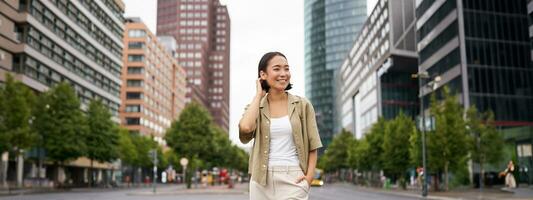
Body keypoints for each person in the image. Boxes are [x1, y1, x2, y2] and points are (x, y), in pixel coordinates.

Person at [239, 52, 323, 200]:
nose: (283, 73)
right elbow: (245, 129)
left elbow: (313, 145)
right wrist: (258, 96)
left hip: (292, 177)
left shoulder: (302, 105)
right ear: (263, 74)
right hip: (261, 181)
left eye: (286, 69)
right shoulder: (255, 106)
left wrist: (308, 179)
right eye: (277, 69)